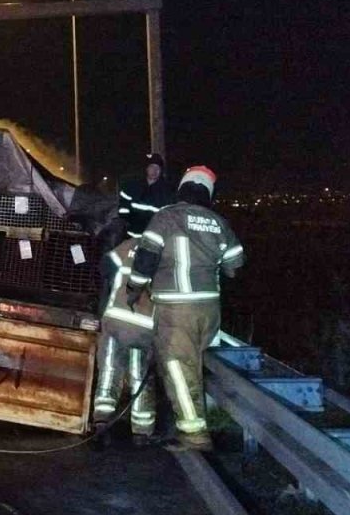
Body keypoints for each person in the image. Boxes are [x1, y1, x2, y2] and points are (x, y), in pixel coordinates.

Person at [124, 166, 245, 451]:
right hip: (210, 310)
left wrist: (134, 290)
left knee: (178, 368)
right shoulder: (219, 222)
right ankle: (191, 422)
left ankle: (194, 435)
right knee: (189, 367)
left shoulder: (166, 218)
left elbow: (145, 259)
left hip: (177, 310)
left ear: (182, 190)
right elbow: (234, 268)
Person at [92, 238, 158, 448]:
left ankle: (101, 423)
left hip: (115, 321)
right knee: (140, 379)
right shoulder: (171, 256)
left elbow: (104, 267)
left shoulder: (130, 245)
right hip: (144, 328)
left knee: (110, 371)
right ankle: (141, 433)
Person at [117, 152, 175, 242]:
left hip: (154, 240)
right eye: (152, 167)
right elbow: (123, 209)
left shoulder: (167, 191)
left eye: (157, 168)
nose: (154, 171)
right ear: (146, 168)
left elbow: (168, 216)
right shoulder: (131, 187)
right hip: (131, 238)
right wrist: (130, 222)